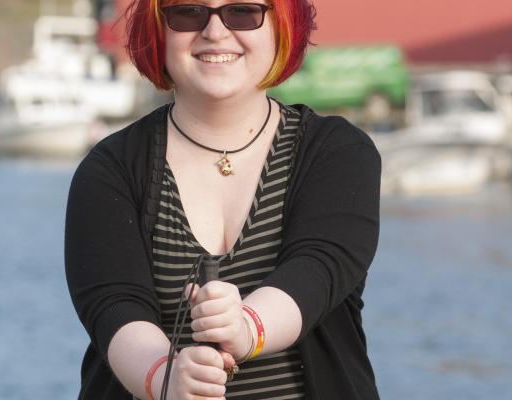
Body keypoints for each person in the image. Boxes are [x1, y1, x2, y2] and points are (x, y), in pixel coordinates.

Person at [64, 0, 380, 398]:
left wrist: (247, 327)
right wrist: (165, 377)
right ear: (158, 30)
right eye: (188, 13)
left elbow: (319, 266)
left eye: (243, 11)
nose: (215, 31)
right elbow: (113, 305)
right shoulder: (109, 169)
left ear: (281, 26)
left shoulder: (337, 152)